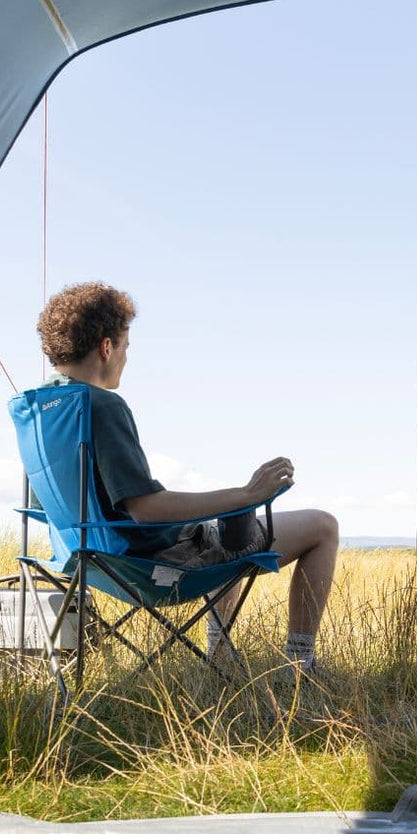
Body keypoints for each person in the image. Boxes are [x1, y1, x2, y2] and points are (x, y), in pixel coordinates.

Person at [36, 281, 339, 673]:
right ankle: (300, 665)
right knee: (322, 526)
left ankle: (220, 654)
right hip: (152, 566)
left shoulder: (41, 410)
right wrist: (247, 493)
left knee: (214, 528)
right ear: (106, 347)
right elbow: (146, 510)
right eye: (126, 347)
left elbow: (44, 506)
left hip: (88, 558)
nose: (127, 357)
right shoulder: (102, 406)